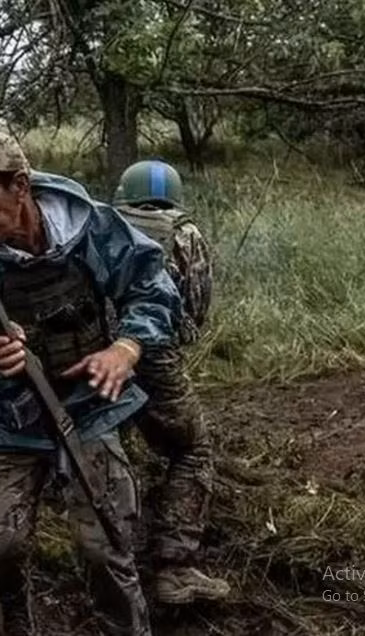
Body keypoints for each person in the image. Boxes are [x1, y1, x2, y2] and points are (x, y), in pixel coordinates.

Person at [0, 130, 182, 636]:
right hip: (7, 421)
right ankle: (15, 615)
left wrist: (126, 348)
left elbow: (152, 287)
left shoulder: (89, 229)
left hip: (89, 409)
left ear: (20, 186)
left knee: (106, 546)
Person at [112, 159, 230, 604]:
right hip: (155, 354)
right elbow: (195, 305)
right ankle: (175, 566)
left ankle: (113, 556)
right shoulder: (185, 233)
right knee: (192, 449)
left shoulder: (103, 224)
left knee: (110, 446)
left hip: (99, 355)